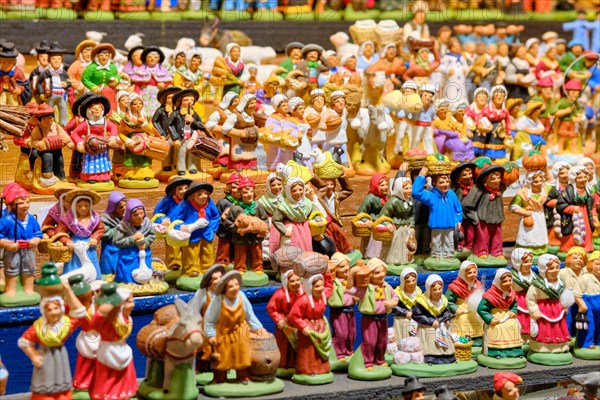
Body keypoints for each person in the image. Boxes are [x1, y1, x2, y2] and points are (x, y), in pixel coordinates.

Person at [18, 274, 85, 399]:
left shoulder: (65, 324)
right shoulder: (39, 327)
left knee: (62, 385)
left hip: (60, 357)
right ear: (44, 311)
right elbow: (24, 341)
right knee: (44, 387)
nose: (54, 312)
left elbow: (80, 312)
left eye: (56, 308)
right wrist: (34, 356)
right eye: (50, 309)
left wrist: (68, 290)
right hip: (45, 358)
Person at [204, 271, 267, 383]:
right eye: (231, 286)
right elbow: (209, 320)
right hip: (223, 333)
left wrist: (258, 328)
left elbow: (249, 315)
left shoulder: (241, 297)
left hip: (240, 331)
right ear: (224, 288)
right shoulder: (218, 300)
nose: (235, 288)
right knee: (223, 356)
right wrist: (211, 335)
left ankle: (243, 376)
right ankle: (220, 377)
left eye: (236, 285)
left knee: (242, 355)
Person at [88, 283, 138, 400]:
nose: (133, 305)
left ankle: (123, 393)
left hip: (122, 349)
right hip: (108, 351)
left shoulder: (127, 319)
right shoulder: (109, 320)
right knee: (108, 377)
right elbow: (94, 324)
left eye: (132, 301)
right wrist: (102, 312)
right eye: (129, 302)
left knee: (124, 375)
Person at [526, 254, 573, 364]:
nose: (555, 271)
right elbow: (530, 299)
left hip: (558, 310)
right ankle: (542, 348)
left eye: (557, 268)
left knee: (558, 329)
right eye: (551, 268)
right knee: (545, 330)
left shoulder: (561, 283)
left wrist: (565, 306)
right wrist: (534, 311)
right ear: (544, 269)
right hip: (544, 312)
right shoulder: (537, 285)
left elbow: (565, 295)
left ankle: (559, 348)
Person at [288, 272, 334, 381]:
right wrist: (303, 327)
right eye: (317, 286)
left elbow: (329, 286)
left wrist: (326, 272)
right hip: (309, 329)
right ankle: (307, 370)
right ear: (310, 286)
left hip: (320, 327)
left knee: (320, 351)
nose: (320, 288)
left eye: (321, 285)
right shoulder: (303, 300)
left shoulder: (323, 296)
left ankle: (322, 368)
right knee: (308, 351)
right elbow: (293, 316)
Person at [0, 184, 42, 305]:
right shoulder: (6, 220)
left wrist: (35, 240)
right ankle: (11, 290)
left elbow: (38, 233)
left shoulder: (31, 219)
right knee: (11, 268)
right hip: (13, 249)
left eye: (28, 202)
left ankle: (29, 289)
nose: (26, 206)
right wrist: (7, 244)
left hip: (28, 249)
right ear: (12, 205)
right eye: (21, 203)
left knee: (29, 268)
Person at [171, 182, 220, 279]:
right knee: (191, 254)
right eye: (199, 194)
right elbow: (175, 219)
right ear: (192, 196)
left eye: (205, 193)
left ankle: (207, 269)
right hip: (192, 235)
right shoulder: (186, 204)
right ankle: (191, 270)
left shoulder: (209, 202)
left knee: (208, 252)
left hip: (206, 234)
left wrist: (212, 229)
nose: (203, 196)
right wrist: (183, 227)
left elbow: (215, 216)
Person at [223, 177, 269, 278]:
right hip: (240, 238)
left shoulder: (258, 206)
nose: (249, 195)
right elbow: (227, 222)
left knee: (257, 252)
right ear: (240, 194)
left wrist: (264, 228)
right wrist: (237, 230)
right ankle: (240, 268)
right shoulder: (235, 208)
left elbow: (265, 219)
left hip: (255, 237)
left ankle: (257, 267)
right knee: (240, 253)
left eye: (251, 192)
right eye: (245, 192)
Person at [54, 189, 104, 281]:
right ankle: (73, 278)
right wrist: (67, 241)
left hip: (89, 245)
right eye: (79, 206)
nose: (83, 208)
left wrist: (95, 238)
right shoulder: (68, 218)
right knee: (74, 264)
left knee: (91, 261)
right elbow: (59, 232)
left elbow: (100, 229)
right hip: (75, 245)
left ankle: (93, 278)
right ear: (74, 206)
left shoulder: (94, 217)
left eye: (86, 206)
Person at [477, 269, 524, 362]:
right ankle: (496, 351)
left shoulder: (512, 293)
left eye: (510, 280)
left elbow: (514, 305)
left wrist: (513, 311)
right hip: (495, 316)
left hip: (507, 315)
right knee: (498, 328)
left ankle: (515, 351)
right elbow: (481, 309)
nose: (508, 283)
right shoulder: (490, 295)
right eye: (505, 281)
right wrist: (490, 318)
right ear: (499, 282)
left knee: (513, 325)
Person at [412, 274, 455, 364]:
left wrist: (446, 318)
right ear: (429, 290)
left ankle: (447, 354)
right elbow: (416, 315)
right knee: (431, 333)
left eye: (439, 289)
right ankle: (431, 356)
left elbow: (446, 311)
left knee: (446, 330)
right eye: (435, 290)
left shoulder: (443, 300)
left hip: (441, 324)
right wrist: (431, 321)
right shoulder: (422, 301)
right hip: (427, 326)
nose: (437, 292)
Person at [267, 269, 303, 374]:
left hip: (296, 324)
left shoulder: (301, 292)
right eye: (292, 281)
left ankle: (295, 364)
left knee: (296, 346)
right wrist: (279, 320)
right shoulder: (280, 294)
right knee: (284, 346)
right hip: (285, 325)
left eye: (298, 280)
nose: (296, 283)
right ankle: (283, 365)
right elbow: (271, 308)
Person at [113, 199, 155, 284]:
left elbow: (152, 235)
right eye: (136, 215)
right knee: (128, 273)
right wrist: (133, 238)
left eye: (141, 213)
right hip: (128, 256)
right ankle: (128, 282)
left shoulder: (147, 223)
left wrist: (145, 243)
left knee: (146, 270)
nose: (140, 217)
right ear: (129, 215)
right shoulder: (123, 226)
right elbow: (116, 241)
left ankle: (145, 281)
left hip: (144, 252)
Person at [378, 172, 415, 268]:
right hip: (396, 228)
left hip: (406, 228)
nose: (409, 190)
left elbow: (412, 215)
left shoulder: (411, 200)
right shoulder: (393, 202)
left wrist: (412, 225)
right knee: (395, 245)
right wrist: (387, 224)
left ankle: (405, 260)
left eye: (410, 188)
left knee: (406, 245)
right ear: (399, 189)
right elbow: (382, 216)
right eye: (406, 188)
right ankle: (392, 261)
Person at [557, 166, 594, 254]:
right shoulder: (567, 191)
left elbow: (591, 205)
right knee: (572, 233)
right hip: (572, 217)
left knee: (586, 231)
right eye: (580, 177)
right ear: (574, 179)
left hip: (585, 215)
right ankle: (570, 246)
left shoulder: (588, 191)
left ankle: (586, 246)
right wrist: (572, 208)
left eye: (585, 177)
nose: (583, 179)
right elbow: (560, 205)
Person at [446, 261, 484, 346]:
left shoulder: (477, 284)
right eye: (469, 273)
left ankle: (478, 337)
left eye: (474, 272)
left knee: (478, 316)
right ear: (463, 273)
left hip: (474, 308)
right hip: (462, 308)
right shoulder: (455, 286)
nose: (473, 275)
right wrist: (456, 308)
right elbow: (448, 300)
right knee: (463, 318)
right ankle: (463, 338)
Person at [37, 42, 71, 126]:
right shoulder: (46, 73)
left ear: (61, 60)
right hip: (50, 96)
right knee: (50, 111)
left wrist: (66, 84)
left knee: (63, 110)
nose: (56, 61)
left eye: (59, 59)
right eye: (53, 59)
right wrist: (41, 92)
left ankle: (64, 124)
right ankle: (52, 124)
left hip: (61, 96)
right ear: (49, 60)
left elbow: (69, 82)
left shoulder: (64, 72)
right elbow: (39, 83)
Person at [356, 174, 389, 259]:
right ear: (375, 186)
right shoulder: (370, 198)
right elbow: (360, 213)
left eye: (386, 184)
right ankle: (370, 257)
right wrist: (366, 220)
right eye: (382, 185)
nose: (385, 187)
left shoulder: (387, 197)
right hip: (373, 226)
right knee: (373, 243)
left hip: (384, 225)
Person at [510, 248, 536, 342]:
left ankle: (530, 338)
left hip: (531, 301)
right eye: (526, 262)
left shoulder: (534, 276)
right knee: (521, 320)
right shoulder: (512, 276)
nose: (529, 264)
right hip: (519, 302)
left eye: (530, 261)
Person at [99, 191, 127, 275]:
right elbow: (104, 234)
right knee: (109, 270)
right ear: (113, 207)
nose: (124, 208)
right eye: (120, 207)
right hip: (110, 248)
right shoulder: (105, 218)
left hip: (123, 247)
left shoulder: (126, 217)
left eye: (125, 205)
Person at [393, 267, 421, 342]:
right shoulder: (397, 293)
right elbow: (393, 308)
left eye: (413, 280)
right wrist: (405, 313)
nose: (411, 283)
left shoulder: (418, 292)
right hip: (401, 319)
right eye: (408, 281)